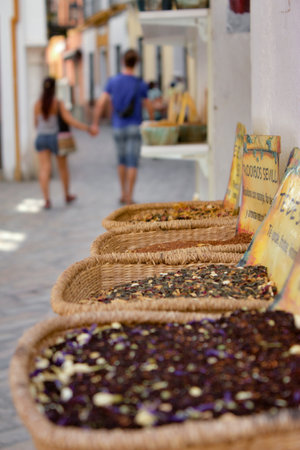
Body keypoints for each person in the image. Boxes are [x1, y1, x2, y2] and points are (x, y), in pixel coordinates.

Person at [91, 49, 153, 205]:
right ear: (136, 64)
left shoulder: (113, 81)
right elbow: (148, 105)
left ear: (122, 62)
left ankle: (122, 192)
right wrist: (151, 123)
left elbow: (101, 103)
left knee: (121, 161)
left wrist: (95, 123)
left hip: (118, 126)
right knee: (133, 162)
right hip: (134, 126)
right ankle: (130, 196)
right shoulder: (140, 84)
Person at [34, 77, 95, 209]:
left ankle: (46, 199)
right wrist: (87, 128)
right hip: (56, 138)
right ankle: (66, 195)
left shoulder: (37, 104)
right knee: (63, 168)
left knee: (45, 168)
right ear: (54, 88)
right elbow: (69, 120)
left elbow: (36, 124)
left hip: (41, 138)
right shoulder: (57, 103)